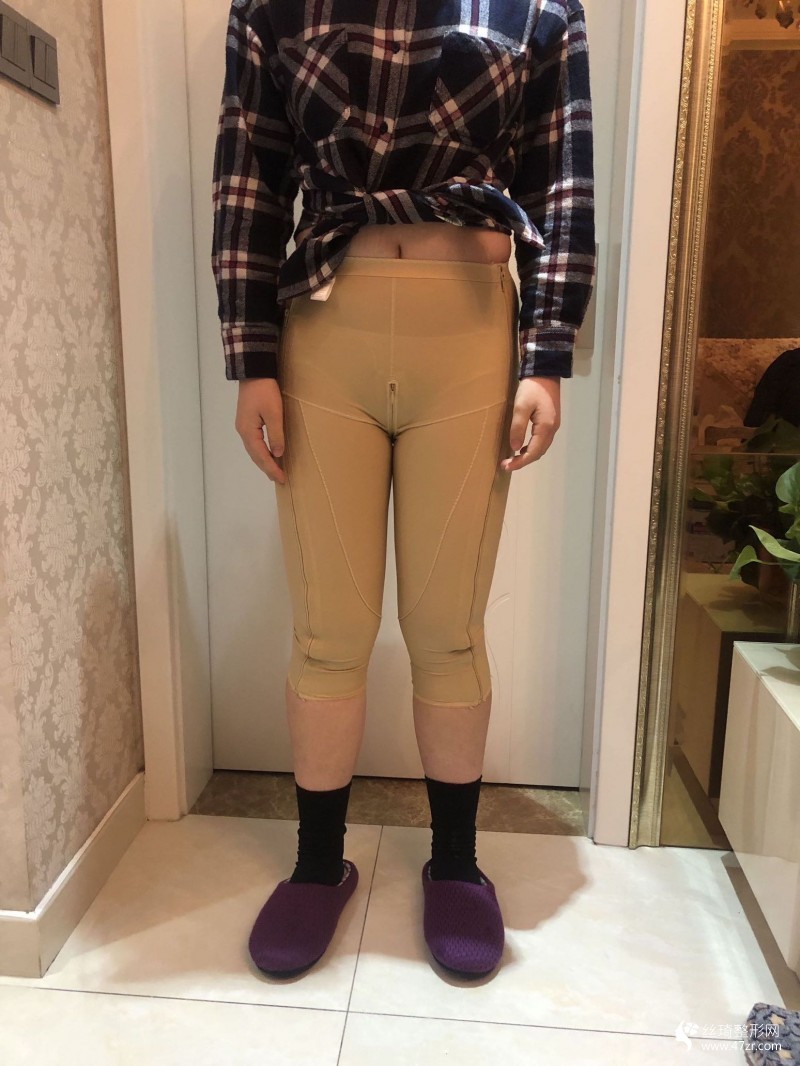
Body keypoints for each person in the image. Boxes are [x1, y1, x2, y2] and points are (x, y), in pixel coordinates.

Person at [211, 0, 595, 980]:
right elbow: (249, 173)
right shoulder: (270, 6)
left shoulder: (541, 8)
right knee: (328, 627)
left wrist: (546, 354)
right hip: (321, 335)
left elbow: (559, 182)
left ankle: (456, 862)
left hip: (470, 334)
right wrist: (251, 355)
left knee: (446, 626)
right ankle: (316, 864)